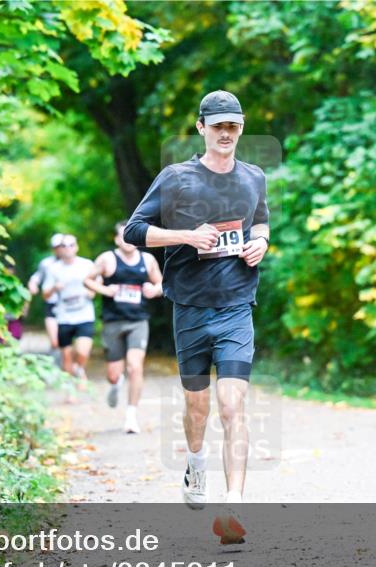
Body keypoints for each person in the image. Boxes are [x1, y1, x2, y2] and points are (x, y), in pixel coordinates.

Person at [123, 90, 270, 541]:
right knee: (198, 407)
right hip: (190, 307)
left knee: (233, 406)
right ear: (201, 127)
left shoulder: (254, 177)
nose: (226, 134)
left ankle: (234, 507)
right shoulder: (175, 178)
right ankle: (195, 462)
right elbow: (134, 231)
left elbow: (260, 221)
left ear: (241, 129)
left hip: (236, 307)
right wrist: (187, 236)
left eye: (234, 126)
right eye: (218, 126)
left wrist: (261, 243)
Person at [84, 221, 164, 434]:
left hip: (138, 320)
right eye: (123, 237)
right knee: (114, 373)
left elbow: (162, 284)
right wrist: (105, 290)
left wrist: (153, 290)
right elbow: (87, 280)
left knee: (135, 366)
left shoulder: (147, 260)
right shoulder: (107, 259)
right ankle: (115, 383)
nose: (128, 241)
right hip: (113, 321)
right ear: (117, 240)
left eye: (131, 237)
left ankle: (131, 416)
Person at [42, 234, 96, 390]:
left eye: (71, 245)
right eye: (64, 246)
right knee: (66, 355)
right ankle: (71, 390)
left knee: (82, 351)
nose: (68, 249)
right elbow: (45, 294)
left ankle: (80, 369)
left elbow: (97, 281)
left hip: (84, 314)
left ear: (76, 247)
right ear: (59, 249)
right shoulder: (53, 268)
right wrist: (54, 288)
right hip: (64, 316)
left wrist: (92, 291)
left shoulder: (86, 265)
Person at [27, 233, 66, 360]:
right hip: (51, 303)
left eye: (62, 246)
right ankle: (55, 365)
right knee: (55, 341)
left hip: (70, 306)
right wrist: (33, 285)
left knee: (66, 340)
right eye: (56, 247)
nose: (59, 249)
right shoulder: (46, 264)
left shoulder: (75, 263)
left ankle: (66, 366)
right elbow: (36, 277)